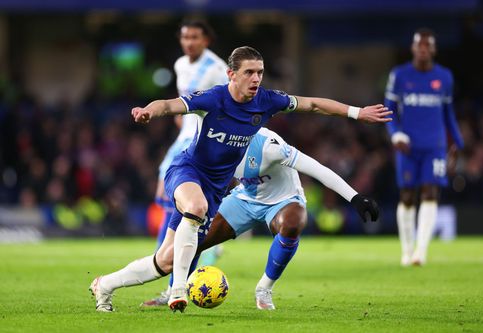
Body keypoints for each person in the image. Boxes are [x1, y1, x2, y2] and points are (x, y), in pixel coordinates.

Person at [91, 45, 391, 313]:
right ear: (231, 74)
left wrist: (356, 112)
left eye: (260, 72)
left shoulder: (267, 102)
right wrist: (148, 111)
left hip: (216, 189)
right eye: (249, 72)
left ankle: (104, 285)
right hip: (188, 171)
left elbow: (312, 104)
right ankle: (179, 290)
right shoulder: (214, 98)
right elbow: (170, 105)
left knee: (165, 260)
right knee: (194, 208)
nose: (256, 78)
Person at [140, 127, 379, 310]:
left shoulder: (269, 145)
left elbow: (316, 168)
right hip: (244, 200)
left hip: (283, 201)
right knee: (194, 240)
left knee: (292, 224)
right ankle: (173, 291)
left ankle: (264, 288)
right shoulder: (216, 146)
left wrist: (355, 198)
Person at [384, 28, 464, 266]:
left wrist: (456, 142)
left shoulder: (445, 77)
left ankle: (421, 251)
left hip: (435, 145)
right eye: (420, 45)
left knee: (430, 193)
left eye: (428, 45)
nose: (424, 49)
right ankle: (406, 251)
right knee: (407, 195)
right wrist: (395, 134)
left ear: (434, 49)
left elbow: (448, 112)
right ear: (413, 48)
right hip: (408, 146)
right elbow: (389, 109)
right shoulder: (399, 75)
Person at [154, 19, 228, 253]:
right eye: (185, 37)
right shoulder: (180, 65)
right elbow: (184, 99)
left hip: (203, 138)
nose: (189, 42)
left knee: (177, 198)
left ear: (206, 40)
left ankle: (167, 256)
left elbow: (229, 105)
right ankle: (192, 247)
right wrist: (181, 116)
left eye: (195, 37)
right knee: (164, 193)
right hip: (186, 133)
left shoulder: (217, 69)